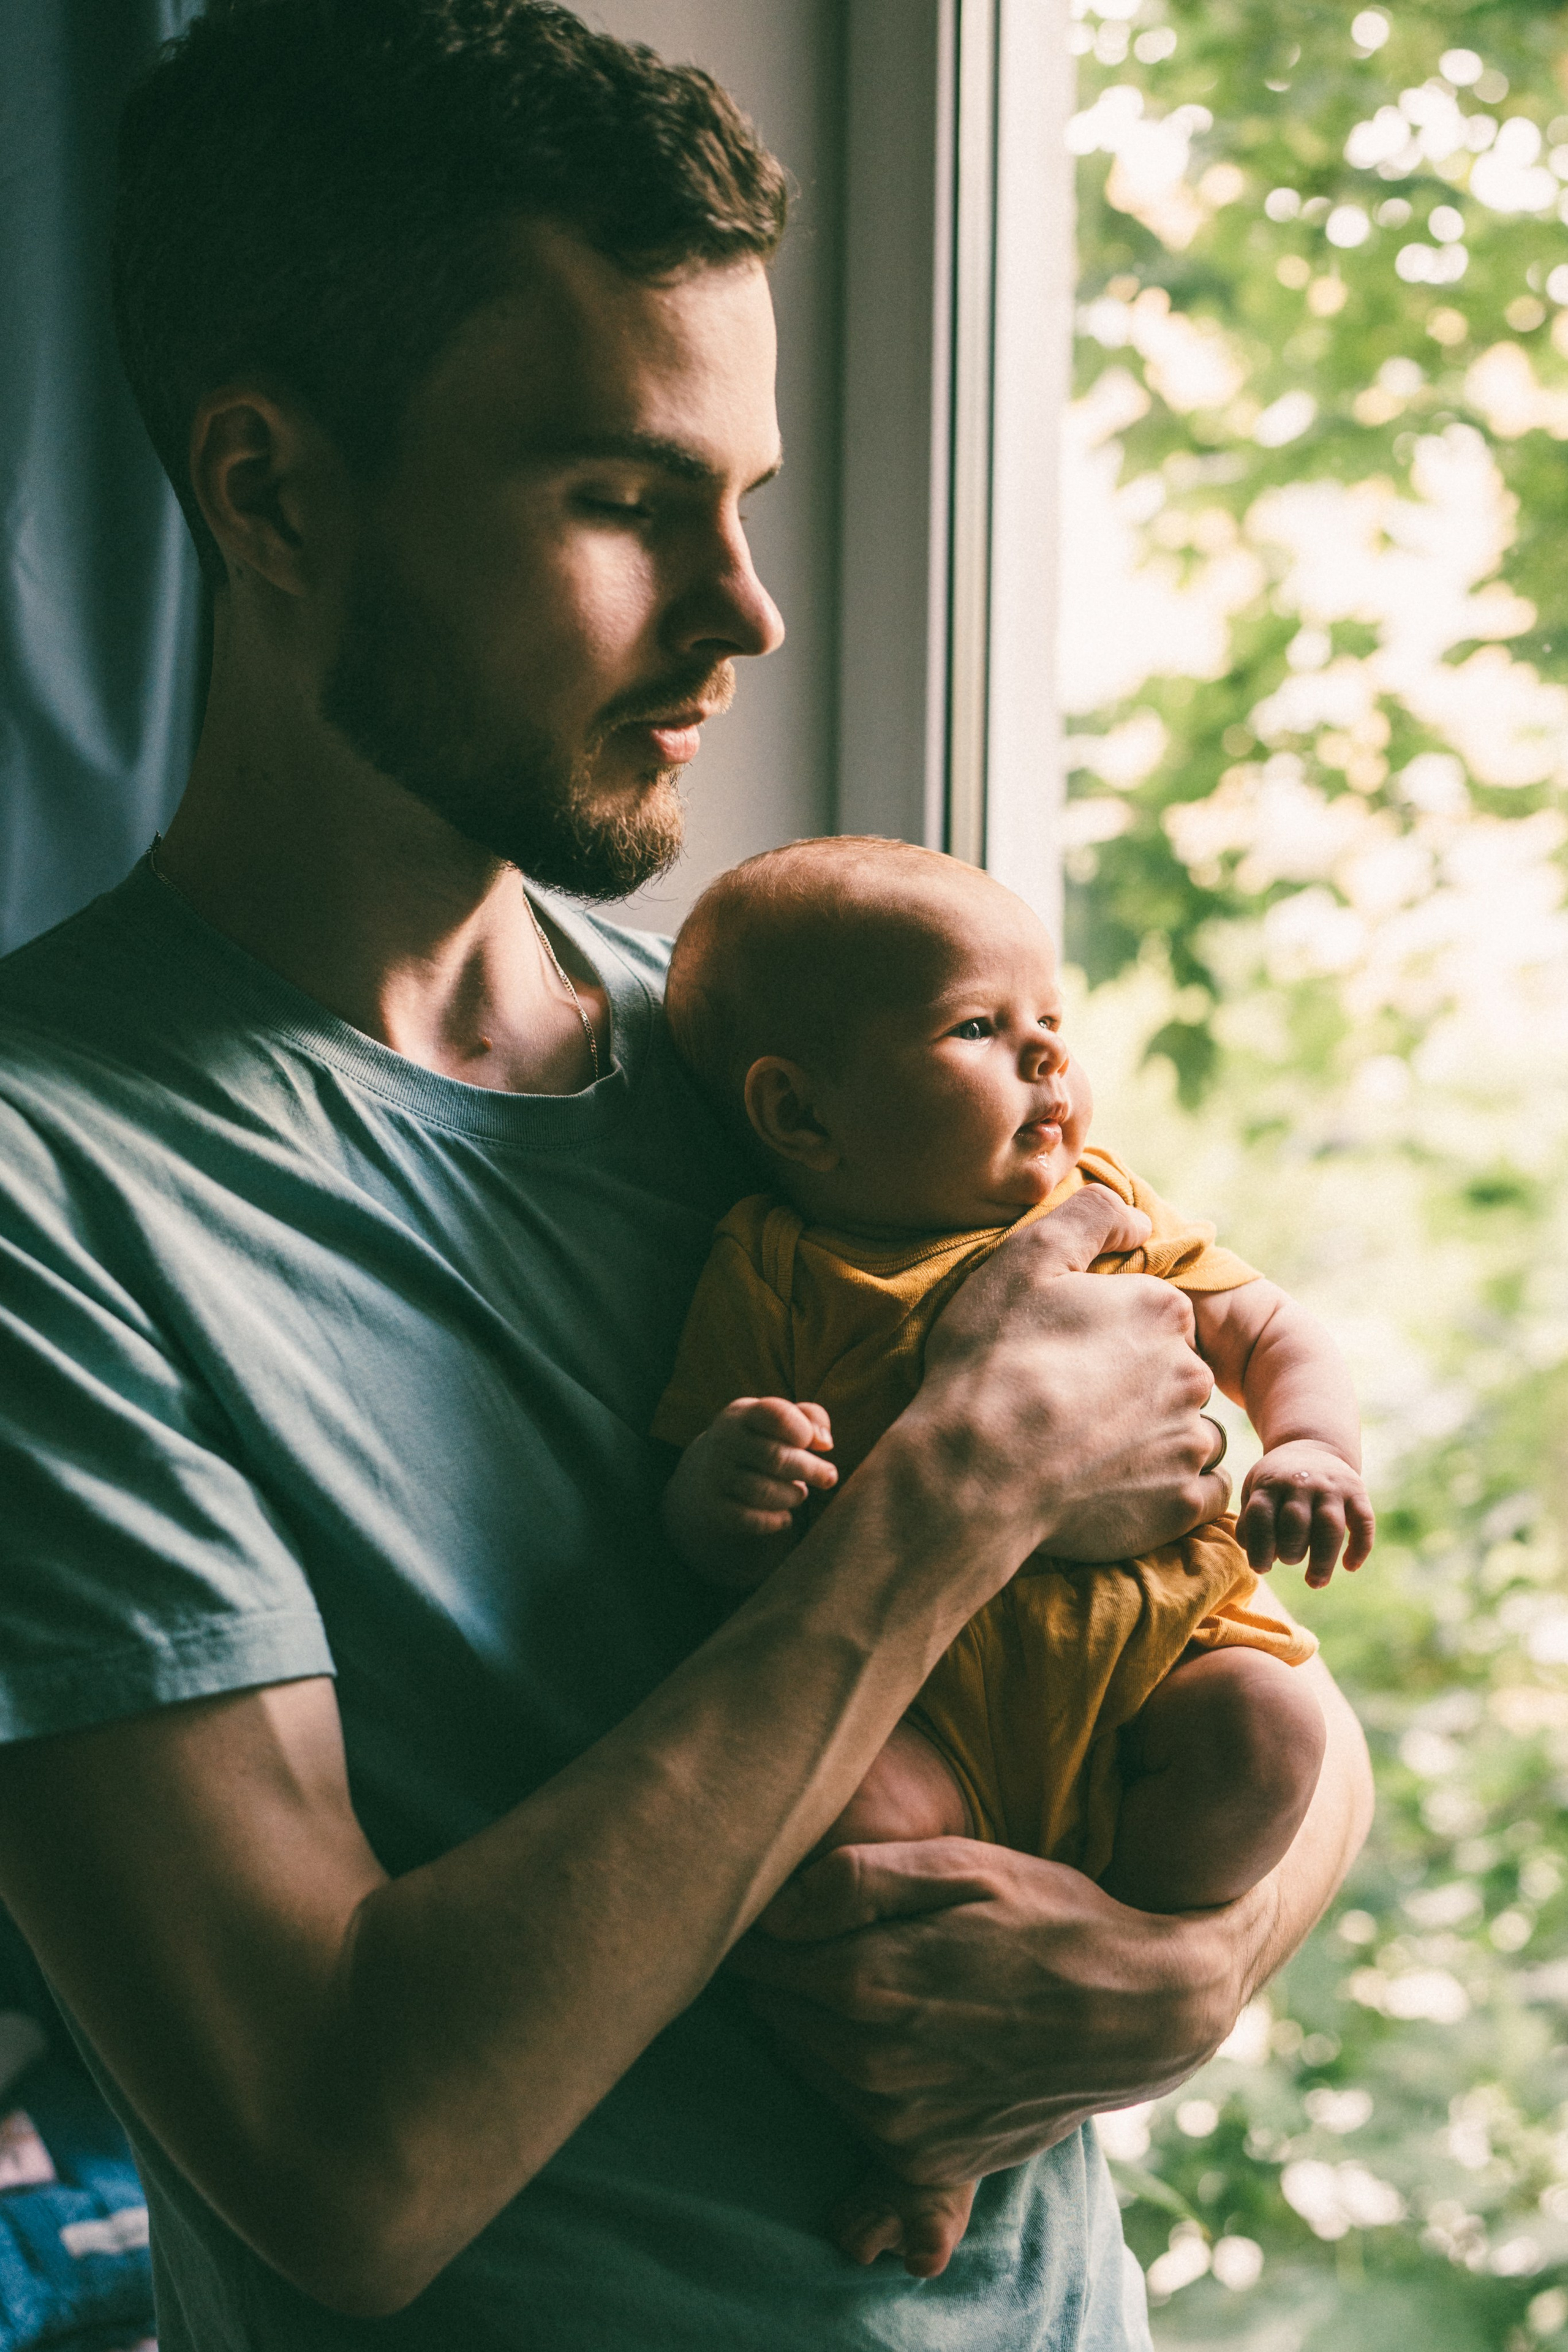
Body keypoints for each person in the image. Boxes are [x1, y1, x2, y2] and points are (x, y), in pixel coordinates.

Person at [0, 4, 1373, 2346]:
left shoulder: (795, 1056)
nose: (744, 612)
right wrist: (944, 1502)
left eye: (742, 502)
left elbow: (1239, 1623)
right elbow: (349, 2156)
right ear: (272, 492)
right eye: (625, 502)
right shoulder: (55, 1196)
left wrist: (1200, 1958)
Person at [654, 834, 1376, 2277]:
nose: (1046, 1062)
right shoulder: (773, 1268)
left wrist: (1306, 1449)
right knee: (853, 1845)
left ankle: (1097, 1974)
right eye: (979, 1032)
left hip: (1147, 1653)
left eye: (1052, 1025)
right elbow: (696, 1495)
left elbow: (1271, 1334)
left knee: (1268, 1730)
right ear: (798, 1115)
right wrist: (726, 1487)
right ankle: (939, 2144)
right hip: (928, 1700)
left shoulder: (1101, 1210)